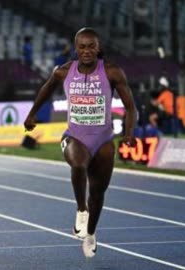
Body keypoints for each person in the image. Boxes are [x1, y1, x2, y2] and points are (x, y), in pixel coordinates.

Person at [24, 28, 137, 258]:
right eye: (82, 47)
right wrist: (32, 114)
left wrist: (128, 132)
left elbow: (131, 107)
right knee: (78, 164)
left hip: (104, 138)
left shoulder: (112, 72)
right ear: (76, 48)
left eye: (91, 46)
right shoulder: (64, 72)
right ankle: (81, 210)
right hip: (74, 135)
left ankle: (91, 234)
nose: (86, 51)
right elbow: (46, 90)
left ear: (98, 48)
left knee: (97, 194)